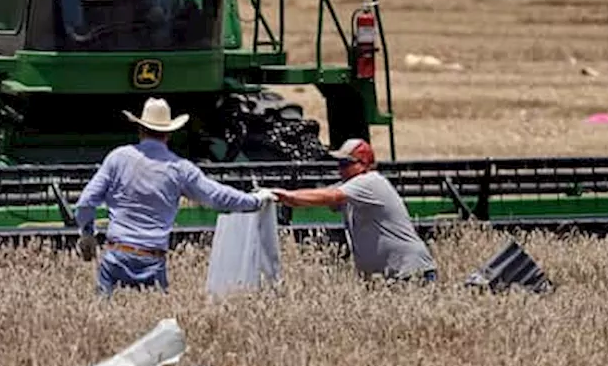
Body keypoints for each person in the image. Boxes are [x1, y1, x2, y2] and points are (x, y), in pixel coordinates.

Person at [73, 97, 277, 296]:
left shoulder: (117, 158)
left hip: (116, 256)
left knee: (108, 324)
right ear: (169, 134)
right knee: (155, 326)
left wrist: (88, 233)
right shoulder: (180, 169)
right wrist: (256, 201)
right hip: (151, 261)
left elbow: (85, 203)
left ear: (140, 129)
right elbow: (216, 196)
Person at [267, 138, 438, 283]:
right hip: (389, 278)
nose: (340, 168)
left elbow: (331, 197)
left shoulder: (369, 182)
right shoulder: (352, 187)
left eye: (346, 163)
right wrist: (288, 197)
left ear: (364, 164)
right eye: (339, 163)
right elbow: (324, 200)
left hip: (410, 273)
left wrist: (287, 196)